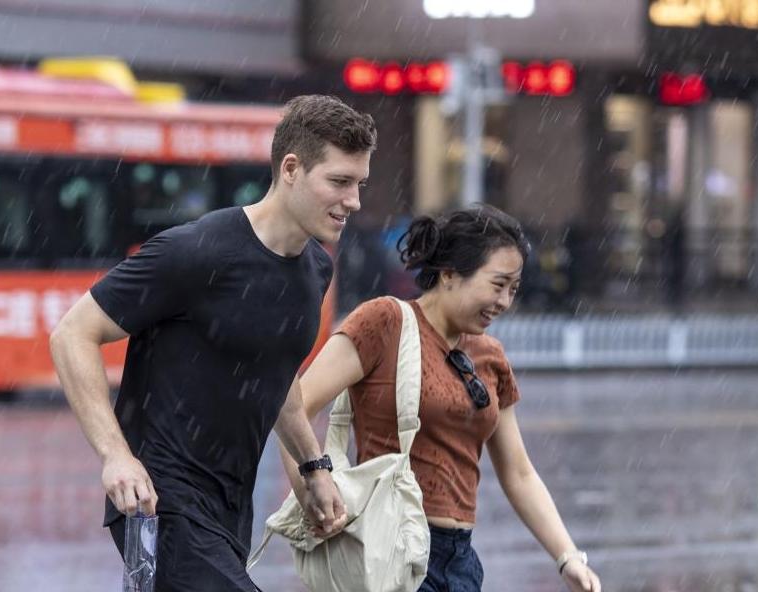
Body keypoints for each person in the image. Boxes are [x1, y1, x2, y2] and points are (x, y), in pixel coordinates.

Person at [49, 95, 376, 591]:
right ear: (291, 169)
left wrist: (313, 468)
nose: (353, 201)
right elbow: (73, 333)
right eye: (339, 182)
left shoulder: (315, 268)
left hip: (228, 510)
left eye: (360, 184)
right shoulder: (197, 251)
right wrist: (115, 455)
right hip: (159, 502)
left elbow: (277, 372)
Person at [281, 205, 603, 592]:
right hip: (391, 547)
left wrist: (567, 556)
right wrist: (311, 487)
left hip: (460, 561)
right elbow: (293, 404)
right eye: (497, 284)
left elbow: (518, 472)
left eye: (513, 289)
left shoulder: (490, 357)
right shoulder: (386, 322)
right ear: (449, 274)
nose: (504, 301)